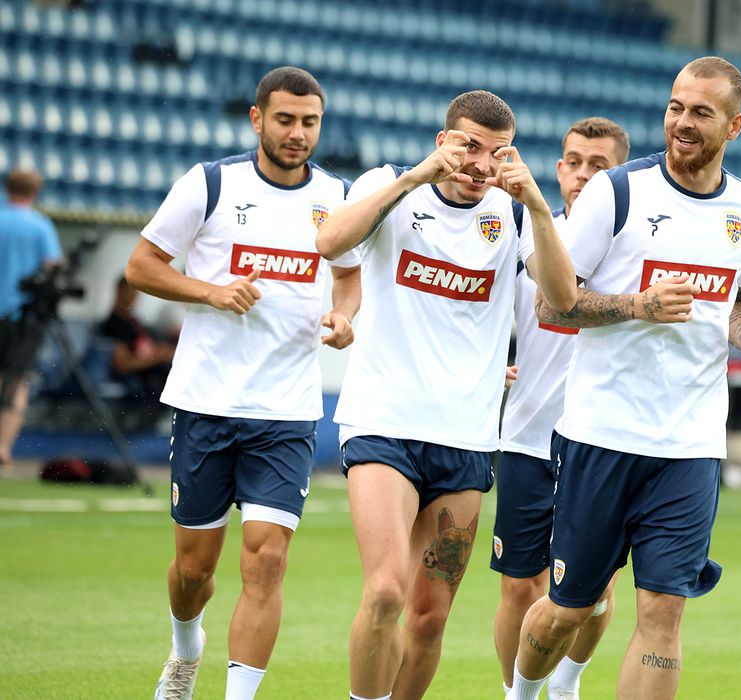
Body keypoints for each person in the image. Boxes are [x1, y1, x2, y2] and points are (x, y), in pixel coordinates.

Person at [510, 56, 741, 700]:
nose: (682, 122)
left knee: (663, 614)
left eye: (701, 112)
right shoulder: (618, 192)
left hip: (690, 446)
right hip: (601, 436)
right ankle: (522, 693)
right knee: (571, 608)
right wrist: (637, 305)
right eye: (675, 107)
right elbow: (553, 304)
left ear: (734, 126)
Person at [315, 89, 576, 700]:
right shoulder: (389, 185)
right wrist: (414, 178)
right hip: (383, 424)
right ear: (443, 141)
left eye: (497, 153)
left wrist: (538, 205)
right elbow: (330, 243)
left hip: (465, 437)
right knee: (385, 591)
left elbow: (564, 297)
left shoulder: (511, 216)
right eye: (469, 147)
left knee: (430, 617)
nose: (481, 165)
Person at [124, 66, 361, 700]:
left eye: (309, 122)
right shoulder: (209, 184)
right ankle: (185, 649)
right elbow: (141, 266)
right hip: (206, 402)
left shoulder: (336, 197)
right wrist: (211, 291)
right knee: (193, 571)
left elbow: (348, 276)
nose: (297, 133)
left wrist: (344, 317)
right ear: (257, 119)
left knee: (267, 557)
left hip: (286, 410)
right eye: (285, 119)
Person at [493, 117, 630, 699]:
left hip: (600, 440)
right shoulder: (529, 235)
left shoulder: (631, 248)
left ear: (619, 176)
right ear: (558, 168)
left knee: (593, 592)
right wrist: (490, 365)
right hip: (527, 436)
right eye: (574, 162)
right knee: (519, 589)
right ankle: (515, 693)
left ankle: (567, 683)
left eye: (599, 165)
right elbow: (482, 305)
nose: (583, 175)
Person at [0, 169, 62, 473]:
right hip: (22, 315)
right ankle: (3, 447)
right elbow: (52, 266)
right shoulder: (40, 225)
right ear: (34, 192)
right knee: (17, 380)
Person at [98, 275, 177, 417]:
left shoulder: (134, 321)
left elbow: (146, 348)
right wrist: (156, 358)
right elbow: (121, 364)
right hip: (138, 380)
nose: (135, 295)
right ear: (120, 290)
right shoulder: (114, 324)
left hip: (151, 374)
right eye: (131, 290)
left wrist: (161, 353)